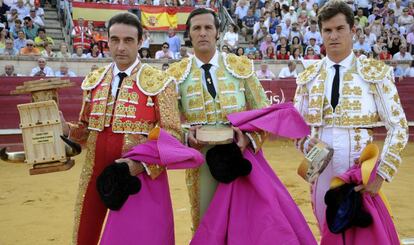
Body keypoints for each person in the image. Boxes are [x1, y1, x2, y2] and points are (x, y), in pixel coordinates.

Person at [167, 8, 316, 244]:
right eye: (197, 28)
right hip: (201, 161)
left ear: (217, 32)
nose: (203, 33)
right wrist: (187, 136)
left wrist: (248, 139)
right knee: (207, 224)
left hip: (241, 156)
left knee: (245, 223)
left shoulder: (240, 66)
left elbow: (264, 111)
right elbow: (170, 124)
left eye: (208, 27)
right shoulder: (175, 74)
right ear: (189, 35)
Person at [60, 12, 182, 245]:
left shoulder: (159, 81)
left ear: (140, 41)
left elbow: (173, 134)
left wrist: (139, 165)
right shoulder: (95, 80)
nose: (121, 47)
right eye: (114, 40)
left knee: (136, 238)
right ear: (107, 41)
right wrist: (68, 130)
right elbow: (86, 130)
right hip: (94, 171)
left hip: (137, 174)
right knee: (85, 235)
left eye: (128, 40)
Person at [294, 0, 408, 242]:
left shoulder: (375, 73)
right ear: (321, 33)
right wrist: (307, 146)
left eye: (339, 29)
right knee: (326, 228)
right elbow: (296, 128)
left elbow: (399, 126)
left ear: (353, 31)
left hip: (358, 169)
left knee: (362, 234)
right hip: (319, 166)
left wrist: (380, 175)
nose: (333, 36)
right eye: (327, 30)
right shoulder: (308, 77)